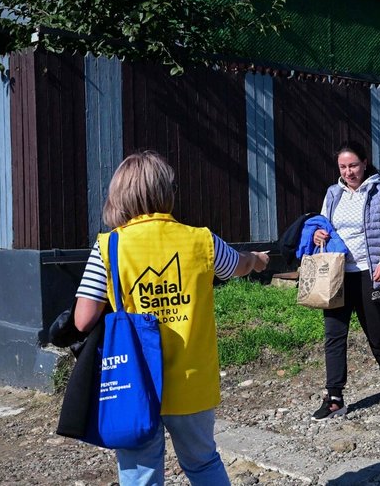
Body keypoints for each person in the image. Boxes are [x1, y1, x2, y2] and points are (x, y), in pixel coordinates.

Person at [72, 151, 270, 485]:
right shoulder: (201, 240)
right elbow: (238, 266)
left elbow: (82, 319)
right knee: (203, 463)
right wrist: (256, 258)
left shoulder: (109, 247)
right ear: (167, 191)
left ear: (119, 194)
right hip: (192, 382)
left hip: (135, 381)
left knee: (140, 473)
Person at [311, 141, 380, 420]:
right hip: (338, 273)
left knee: (374, 330)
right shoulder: (333, 194)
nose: (349, 172)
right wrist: (319, 236)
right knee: (334, 335)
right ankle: (335, 397)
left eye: (353, 165)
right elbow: (323, 226)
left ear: (364, 163)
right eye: (343, 167)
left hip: (369, 272)